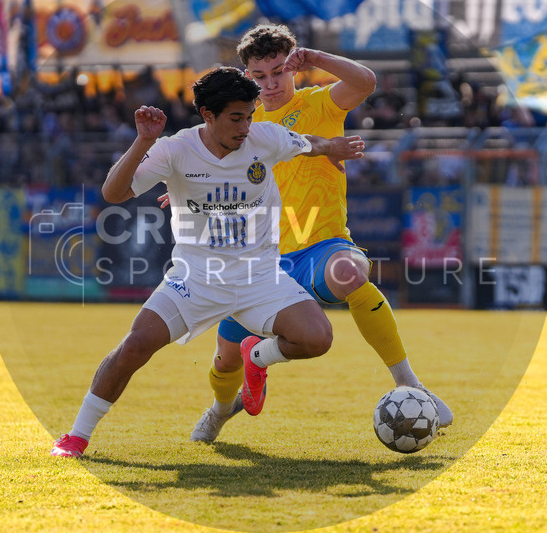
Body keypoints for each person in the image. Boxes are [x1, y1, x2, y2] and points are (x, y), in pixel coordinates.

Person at [51, 67, 365, 457]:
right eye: (236, 117)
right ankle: (76, 437)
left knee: (318, 338)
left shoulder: (264, 138)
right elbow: (113, 193)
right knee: (135, 345)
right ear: (207, 114)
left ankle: (256, 355)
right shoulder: (174, 149)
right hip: (196, 278)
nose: (246, 126)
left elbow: (306, 143)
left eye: (250, 115)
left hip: (260, 276)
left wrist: (333, 148)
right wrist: (142, 142)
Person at [180, 24, 451, 444]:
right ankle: (219, 411)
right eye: (260, 77)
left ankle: (413, 385)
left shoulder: (319, 104)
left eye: (277, 73)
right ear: (247, 77)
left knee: (351, 272)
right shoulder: (239, 124)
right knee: (224, 357)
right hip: (258, 260)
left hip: (321, 246)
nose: (270, 85)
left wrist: (316, 57)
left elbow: (365, 81)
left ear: (294, 71)